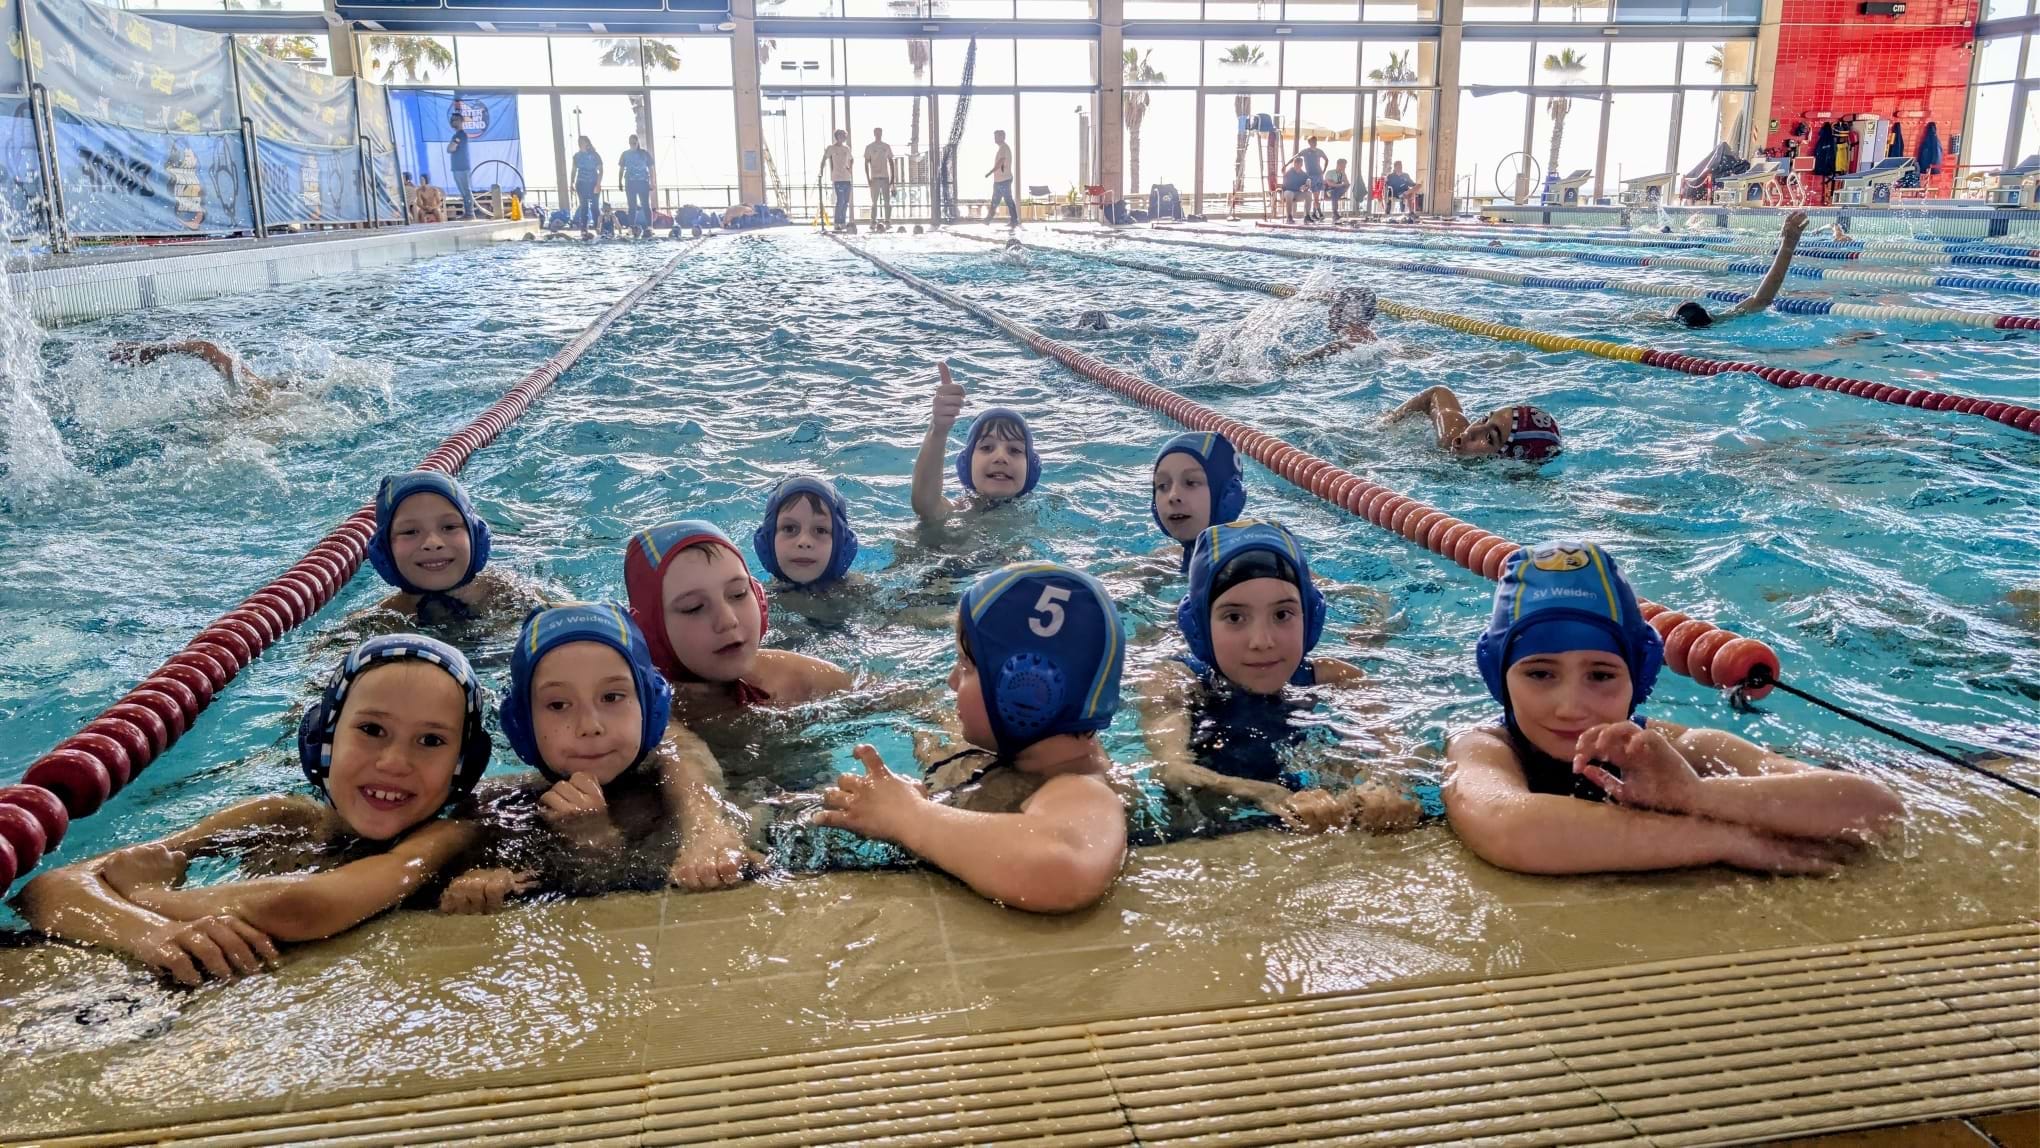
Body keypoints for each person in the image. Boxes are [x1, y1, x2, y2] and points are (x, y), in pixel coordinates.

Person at [17, 636, 491, 985]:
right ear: (323, 740)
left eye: (431, 741)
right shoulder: (276, 817)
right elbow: (48, 888)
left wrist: (144, 893)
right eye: (371, 730)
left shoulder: (446, 836)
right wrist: (150, 934)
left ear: (462, 765)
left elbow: (302, 906)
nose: (394, 762)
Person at [1443, 541, 1904, 875]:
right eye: (1540, 674)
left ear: (1639, 677)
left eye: (1601, 675)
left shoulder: (1671, 746)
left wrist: (1694, 796)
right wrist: (1724, 839)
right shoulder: (1483, 747)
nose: (1570, 707)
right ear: (1498, 677)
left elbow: (1876, 810)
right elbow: (1511, 827)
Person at [815, 562, 1128, 912]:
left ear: (1024, 692)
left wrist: (908, 817)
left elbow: (1063, 870)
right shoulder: (1030, 750)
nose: (951, 681)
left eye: (966, 666)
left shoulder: (1080, 786)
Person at [435, 603, 755, 908]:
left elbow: (684, 754)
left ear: (651, 708)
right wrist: (481, 882)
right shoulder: (496, 808)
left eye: (612, 697)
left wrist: (705, 829)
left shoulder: (679, 789)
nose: (590, 726)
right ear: (521, 725)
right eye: (558, 704)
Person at [1140, 521, 1419, 835]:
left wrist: (1386, 782)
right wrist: (1264, 794)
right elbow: (1173, 770)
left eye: (1282, 614)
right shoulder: (1175, 681)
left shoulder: (1337, 678)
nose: (1262, 641)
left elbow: (1400, 749)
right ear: (1199, 628)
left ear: (1310, 619)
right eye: (1235, 617)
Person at [623, 519, 853, 716]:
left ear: (759, 597)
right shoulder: (640, 721)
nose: (728, 620)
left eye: (738, 593)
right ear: (650, 633)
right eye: (693, 608)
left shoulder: (795, 679)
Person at [367, 471, 517, 623]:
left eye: (449, 527)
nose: (432, 543)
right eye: (410, 531)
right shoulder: (376, 622)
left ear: (476, 537)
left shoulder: (510, 595)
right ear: (384, 550)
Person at [910, 362, 1041, 528]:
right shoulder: (960, 511)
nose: (1000, 457)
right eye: (987, 448)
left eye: (1014, 450)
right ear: (966, 464)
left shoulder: (1043, 512)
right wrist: (938, 431)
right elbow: (926, 507)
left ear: (1031, 470)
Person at [1670, 210, 1809, 328]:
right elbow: (1761, 299)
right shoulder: (1724, 318)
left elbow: (1762, 300)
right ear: (1710, 315)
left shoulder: (1667, 327)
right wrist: (1788, 244)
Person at [1387, 386, 1561, 463]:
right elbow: (1438, 393)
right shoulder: (1450, 437)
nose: (1471, 431)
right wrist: (1386, 422)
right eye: (1485, 419)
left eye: (1489, 438)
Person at [1151, 431, 1246, 569]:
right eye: (1162, 486)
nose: (1173, 496)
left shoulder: (1249, 565)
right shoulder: (1168, 560)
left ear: (1228, 495)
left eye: (1191, 483)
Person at [753, 476, 860, 592]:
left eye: (820, 530)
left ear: (841, 543)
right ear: (767, 541)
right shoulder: (750, 596)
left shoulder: (862, 595)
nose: (804, 542)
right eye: (789, 529)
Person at [107, 339, 279, 403]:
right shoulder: (258, 387)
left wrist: (154, 349)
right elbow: (207, 349)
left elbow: (206, 349)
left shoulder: (256, 386)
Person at [1282, 286, 1379, 366]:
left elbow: (1293, 364)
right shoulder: (1379, 344)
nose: (1330, 311)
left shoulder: (1335, 347)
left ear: (1348, 313)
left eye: (1336, 306)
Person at [618, 134, 655, 239]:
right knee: (632, 206)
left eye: (634, 142)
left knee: (645, 205)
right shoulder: (625, 154)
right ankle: (631, 227)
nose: (632, 144)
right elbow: (621, 169)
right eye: (631, 143)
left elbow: (651, 168)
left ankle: (650, 227)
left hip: (643, 182)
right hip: (630, 182)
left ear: (638, 142)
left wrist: (652, 182)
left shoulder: (644, 153)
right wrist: (619, 182)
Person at [446, 111, 480, 220]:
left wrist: (451, 146)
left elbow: (450, 148)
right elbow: (450, 149)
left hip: (462, 167)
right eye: (451, 120)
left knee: (466, 190)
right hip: (457, 167)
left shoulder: (461, 135)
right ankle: (468, 212)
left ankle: (470, 213)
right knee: (463, 191)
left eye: (455, 120)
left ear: (461, 121)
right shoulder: (456, 135)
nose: (452, 122)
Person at [820, 129, 854, 231]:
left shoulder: (846, 148)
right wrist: (821, 171)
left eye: (843, 136)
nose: (842, 137)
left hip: (847, 177)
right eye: (840, 135)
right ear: (836, 137)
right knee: (840, 200)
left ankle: (842, 222)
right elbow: (824, 159)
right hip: (837, 178)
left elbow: (851, 159)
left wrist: (850, 168)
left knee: (846, 201)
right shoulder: (831, 148)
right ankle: (836, 222)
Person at [570, 136, 603, 239]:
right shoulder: (576, 156)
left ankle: (598, 227)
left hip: (593, 183)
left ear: (587, 143)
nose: (580, 143)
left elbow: (601, 170)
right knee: (583, 206)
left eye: (582, 142)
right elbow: (574, 170)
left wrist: (598, 184)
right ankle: (584, 228)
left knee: (594, 206)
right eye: (579, 142)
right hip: (581, 183)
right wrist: (571, 183)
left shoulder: (594, 155)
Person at [986, 129, 1018, 228]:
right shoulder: (1002, 148)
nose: (995, 138)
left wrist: (991, 172)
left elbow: (1001, 161)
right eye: (995, 136)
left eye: (997, 136)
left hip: (1004, 180)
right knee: (995, 201)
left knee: (1008, 200)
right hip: (1000, 180)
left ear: (1003, 137)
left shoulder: (1004, 148)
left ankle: (1014, 221)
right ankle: (987, 220)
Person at [1292, 136, 1328, 222]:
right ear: (1309, 142)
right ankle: (1319, 213)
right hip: (1310, 176)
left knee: (1317, 196)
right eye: (1312, 141)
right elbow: (1295, 157)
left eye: (1315, 141)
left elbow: (1326, 160)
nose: (1314, 143)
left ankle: (1314, 213)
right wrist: (1287, 165)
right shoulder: (1305, 151)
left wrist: (1323, 170)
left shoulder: (1319, 151)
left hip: (1319, 175)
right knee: (1313, 195)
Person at [864, 127, 894, 228]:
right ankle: (873, 221)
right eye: (876, 133)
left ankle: (887, 220)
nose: (878, 134)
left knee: (887, 201)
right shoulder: (869, 147)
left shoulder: (886, 146)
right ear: (874, 134)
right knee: (874, 202)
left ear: (881, 133)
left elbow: (891, 161)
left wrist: (892, 177)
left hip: (885, 177)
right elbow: (866, 163)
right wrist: (868, 179)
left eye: (879, 133)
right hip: (874, 177)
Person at [1281, 157, 1309, 223]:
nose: (1297, 165)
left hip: (1297, 194)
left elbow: (1307, 185)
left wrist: (1305, 186)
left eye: (1299, 163)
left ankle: (1307, 216)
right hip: (1287, 193)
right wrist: (1287, 164)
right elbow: (1283, 170)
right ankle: (1289, 217)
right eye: (1296, 163)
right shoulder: (1289, 171)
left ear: (1301, 165)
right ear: (1294, 164)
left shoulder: (1304, 174)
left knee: (1309, 194)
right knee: (1289, 193)